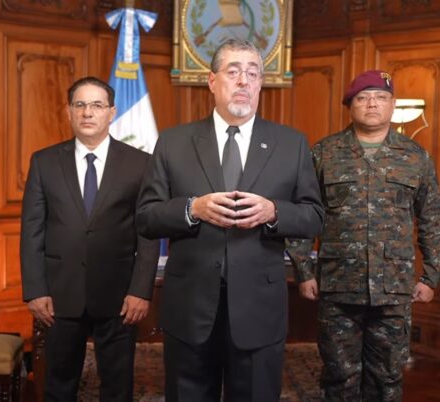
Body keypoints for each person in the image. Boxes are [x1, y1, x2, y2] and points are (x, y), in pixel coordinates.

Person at [136, 39, 324, 402]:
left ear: (260, 84)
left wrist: (274, 212)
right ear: (212, 81)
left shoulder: (292, 143)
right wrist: (192, 209)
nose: (243, 81)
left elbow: (314, 217)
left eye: (253, 74)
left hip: (259, 309)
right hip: (190, 307)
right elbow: (146, 218)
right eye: (233, 71)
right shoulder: (174, 142)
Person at [286, 70, 440, 402]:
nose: (372, 104)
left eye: (380, 97)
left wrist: (431, 277)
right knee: (338, 376)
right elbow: (303, 215)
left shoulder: (415, 156)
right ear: (350, 106)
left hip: (394, 289)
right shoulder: (324, 153)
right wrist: (304, 271)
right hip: (338, 286)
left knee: (387, 378)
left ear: (392, 104)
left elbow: (433, 220)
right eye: (363, 98)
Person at [20, 76, 160, 402]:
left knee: (117, 388)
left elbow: (148, 233)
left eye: (97, 105)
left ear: (111, 112)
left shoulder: (140, 163)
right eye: (80, 104)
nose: (87, 112)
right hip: (59, 296)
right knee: (58, 387)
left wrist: (140, 291)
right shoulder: (44, 162)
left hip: (119, 297)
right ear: (68, 111)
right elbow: (32, 230)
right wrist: (35, 290)